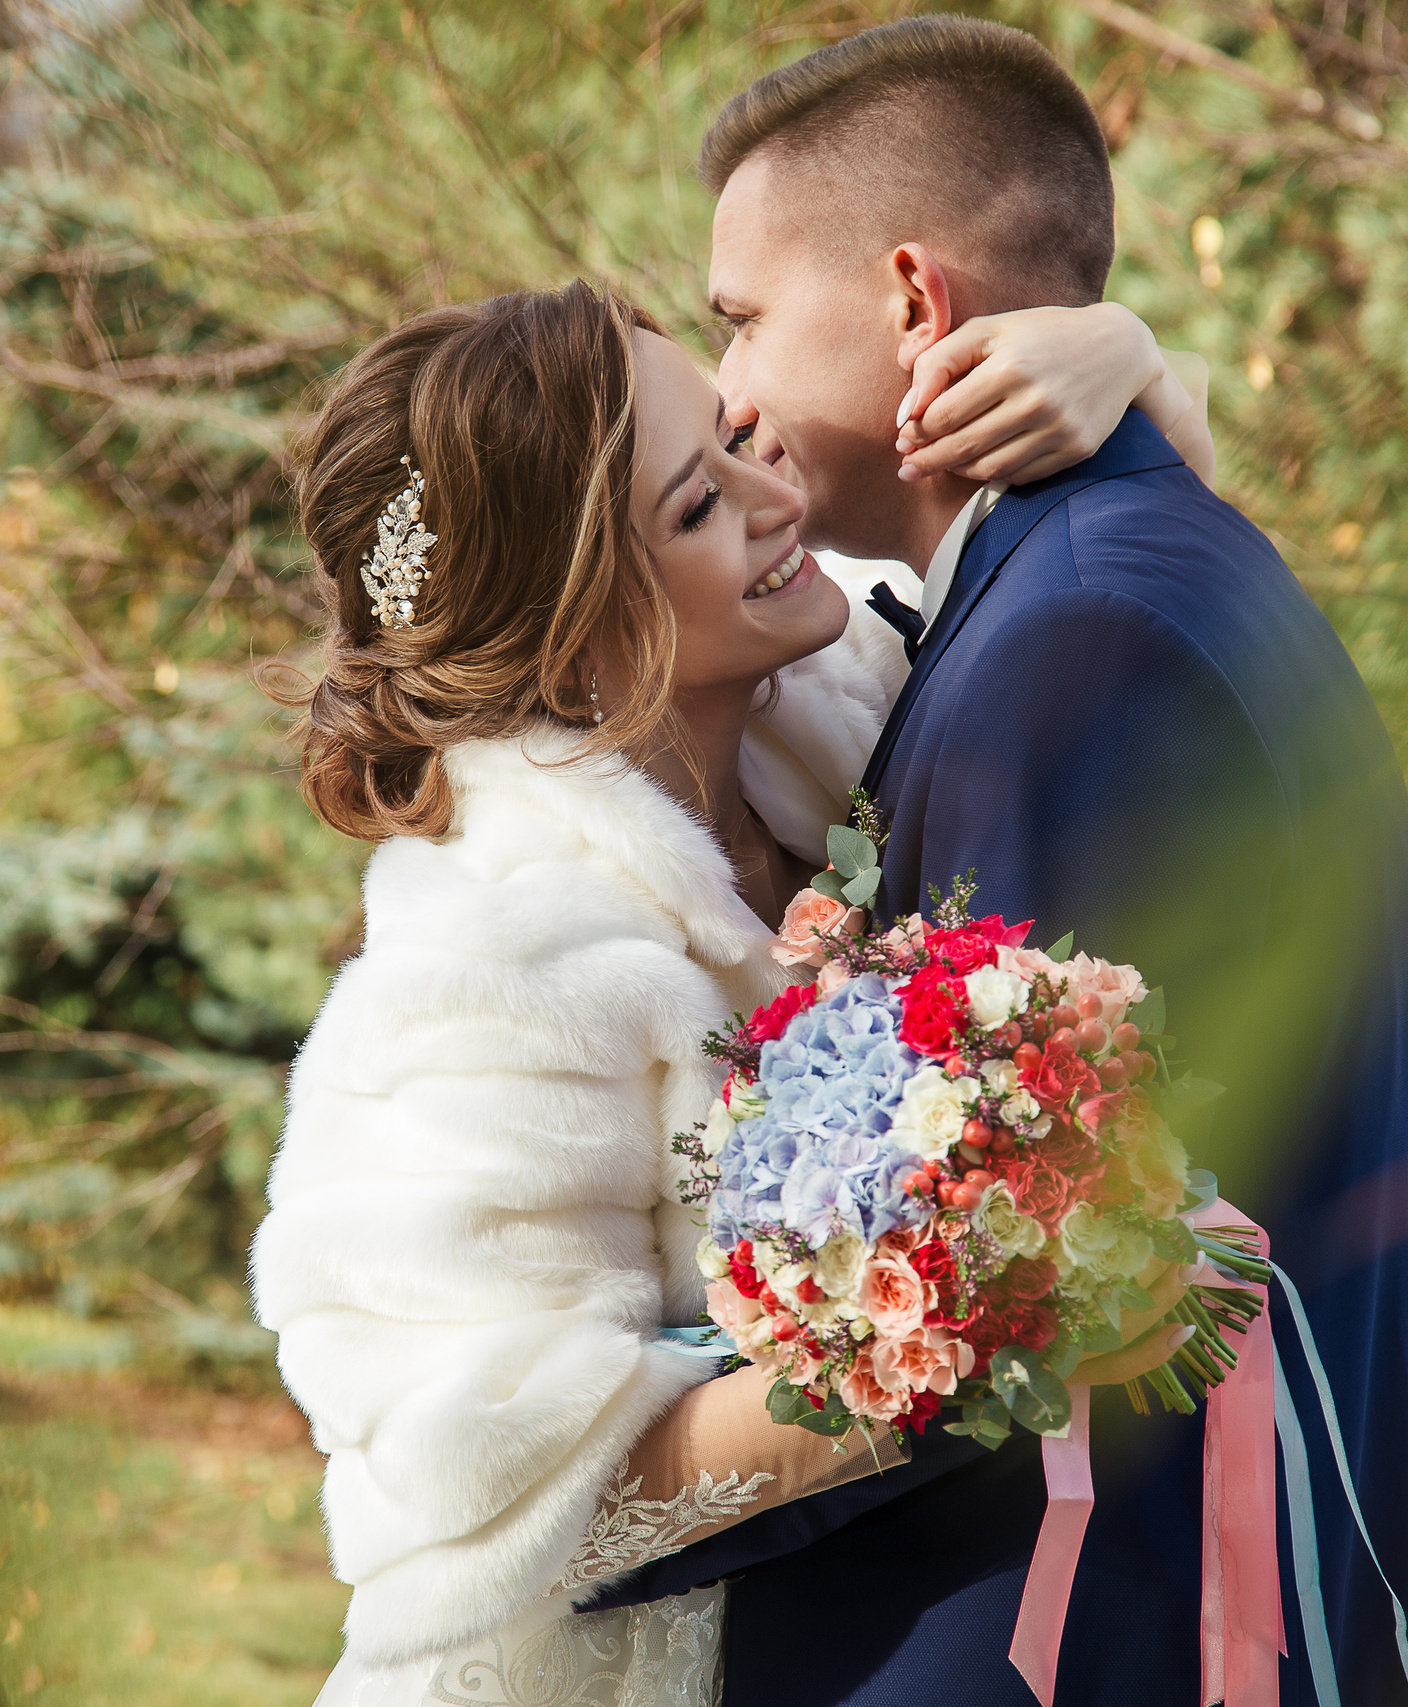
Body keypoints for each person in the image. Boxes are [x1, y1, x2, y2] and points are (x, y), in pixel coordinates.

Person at [584, 17, 1408, 1707]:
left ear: (918, 300)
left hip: (1080, 1640)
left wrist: (594, 1515)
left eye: (745, 322)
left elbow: (1023, 1281)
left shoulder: (1076, 647)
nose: (737, 398)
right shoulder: (1113, 571)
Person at [251, 280, 1214, 1707]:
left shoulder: (841, 712)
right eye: (698, 508)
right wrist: (971, 1323)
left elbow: (1111, 619)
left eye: (739, 434)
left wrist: (1122, 351)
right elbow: (507, 1506)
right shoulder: (488, 977)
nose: (777, 496)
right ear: (578, 645)